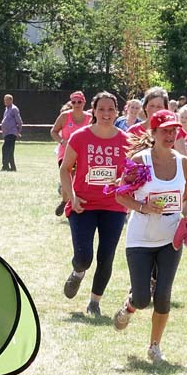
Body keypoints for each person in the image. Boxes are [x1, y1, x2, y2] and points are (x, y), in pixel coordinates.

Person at [112, 110, 187, 362]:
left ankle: (154, 346)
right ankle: (129, 305)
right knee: (141, 298)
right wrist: (143, 207)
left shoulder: (184, 163)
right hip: (140, 238)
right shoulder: (140, 160)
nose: (170, 136)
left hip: (170, 238)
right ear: (153, 133)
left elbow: (185, 199)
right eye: (165, 131)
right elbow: (120, 194)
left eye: (174, 131)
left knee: (163, 295)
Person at [59, 91, 130, 318]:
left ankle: (94, 302)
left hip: (114, 205)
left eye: (111, 109)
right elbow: (65, 169)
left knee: (106, 256)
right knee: (84, 257)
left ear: (117, 112)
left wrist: (124, 183)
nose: (106, 114)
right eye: (101, 109)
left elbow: (133, 173)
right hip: (84, 204)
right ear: (94, 111)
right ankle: (78, 272)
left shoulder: (126, 140)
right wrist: (71, 197)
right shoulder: (80, 137)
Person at [0, 94, 22, 171]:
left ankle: (5, 166)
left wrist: (18, 131)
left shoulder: (14, 109)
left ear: (11, 100)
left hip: (12, 132)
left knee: (5, 149)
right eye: (4, 100)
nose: (5, 101)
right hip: (7, 133)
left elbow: (19, 121)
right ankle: (13, 167)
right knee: (10, 150)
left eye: (7, 100)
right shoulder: (6, 109)